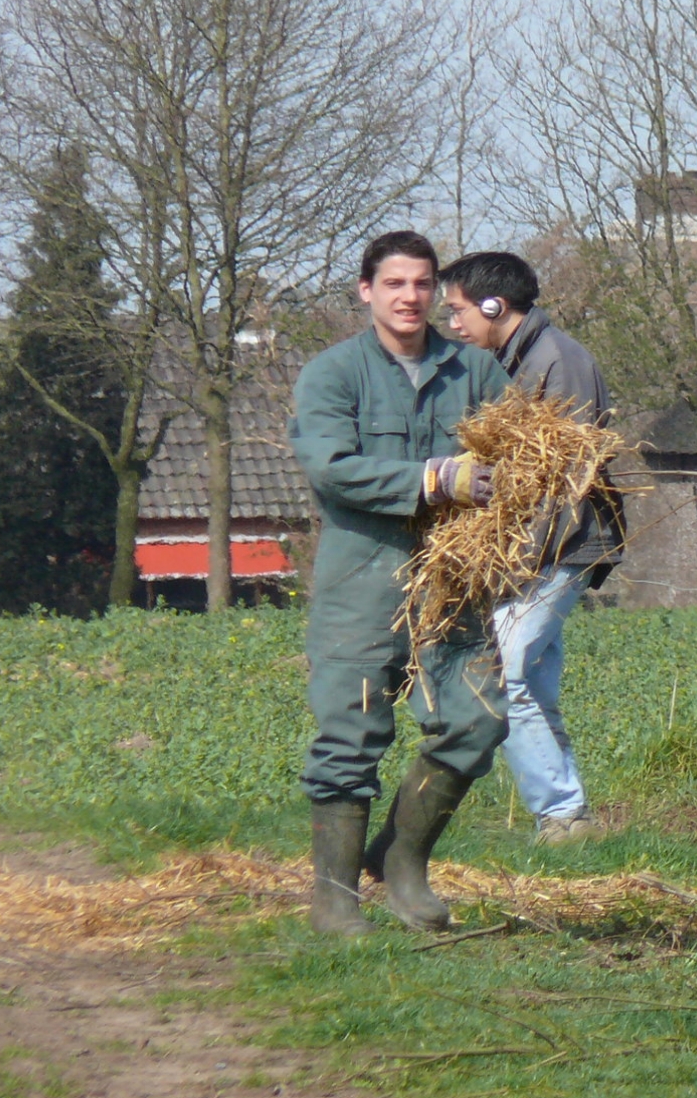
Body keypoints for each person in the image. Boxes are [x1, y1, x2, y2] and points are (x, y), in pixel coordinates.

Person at [289, 230, 514, 934]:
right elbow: (330, 466)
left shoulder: (475, 373)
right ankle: (334, 899)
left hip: (454, 583)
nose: (409, 296)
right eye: (394, 283)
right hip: (362, 580)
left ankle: (403, 863)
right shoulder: (333, 374)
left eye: (421, 284)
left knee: (479, 719)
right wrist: (433, 478)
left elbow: (515, 453)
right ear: (366, 291)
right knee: (349, 736)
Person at [438, 251, 623, 846]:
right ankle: (570, 818)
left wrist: (515, 560)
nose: (453, 325)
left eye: (458, 311)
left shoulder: (556, 363)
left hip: (559, 548)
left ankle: (563, 815)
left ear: (495, 306)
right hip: (542, 548)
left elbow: (564, 480)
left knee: (503, 671)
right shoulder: (521, 360)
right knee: (531, 684)